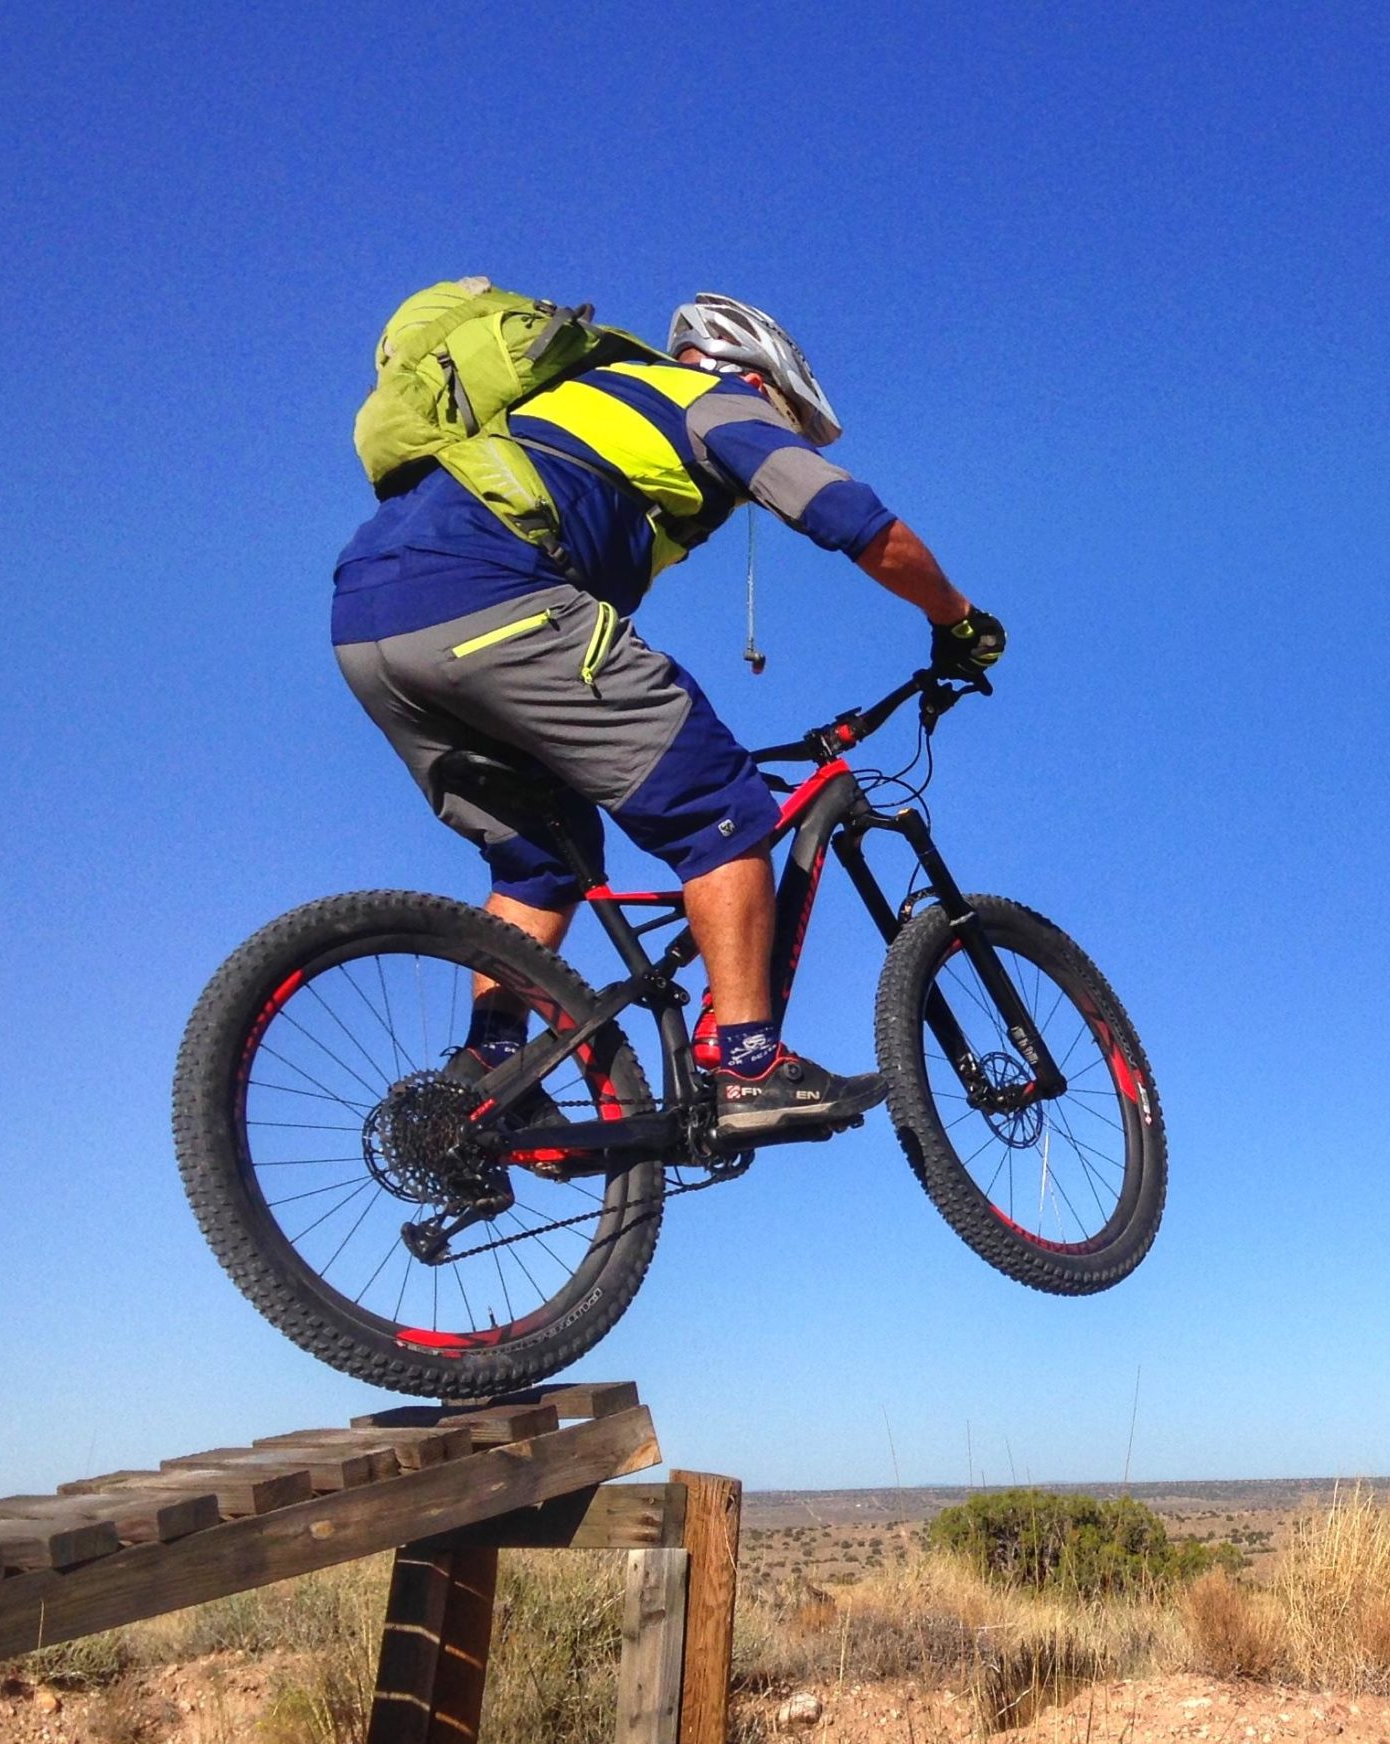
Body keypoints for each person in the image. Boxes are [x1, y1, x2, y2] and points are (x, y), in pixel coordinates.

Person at [330, 292, 1005, 1139]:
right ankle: (751, 1064)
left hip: (366, 622)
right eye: (787, 417)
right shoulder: (705, 398)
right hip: (490, 598)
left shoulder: (567, 409)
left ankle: (488, 1073)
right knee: (722, 806)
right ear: (760, 381)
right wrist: (958, 619)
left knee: (540, 859)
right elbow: (853, 520)